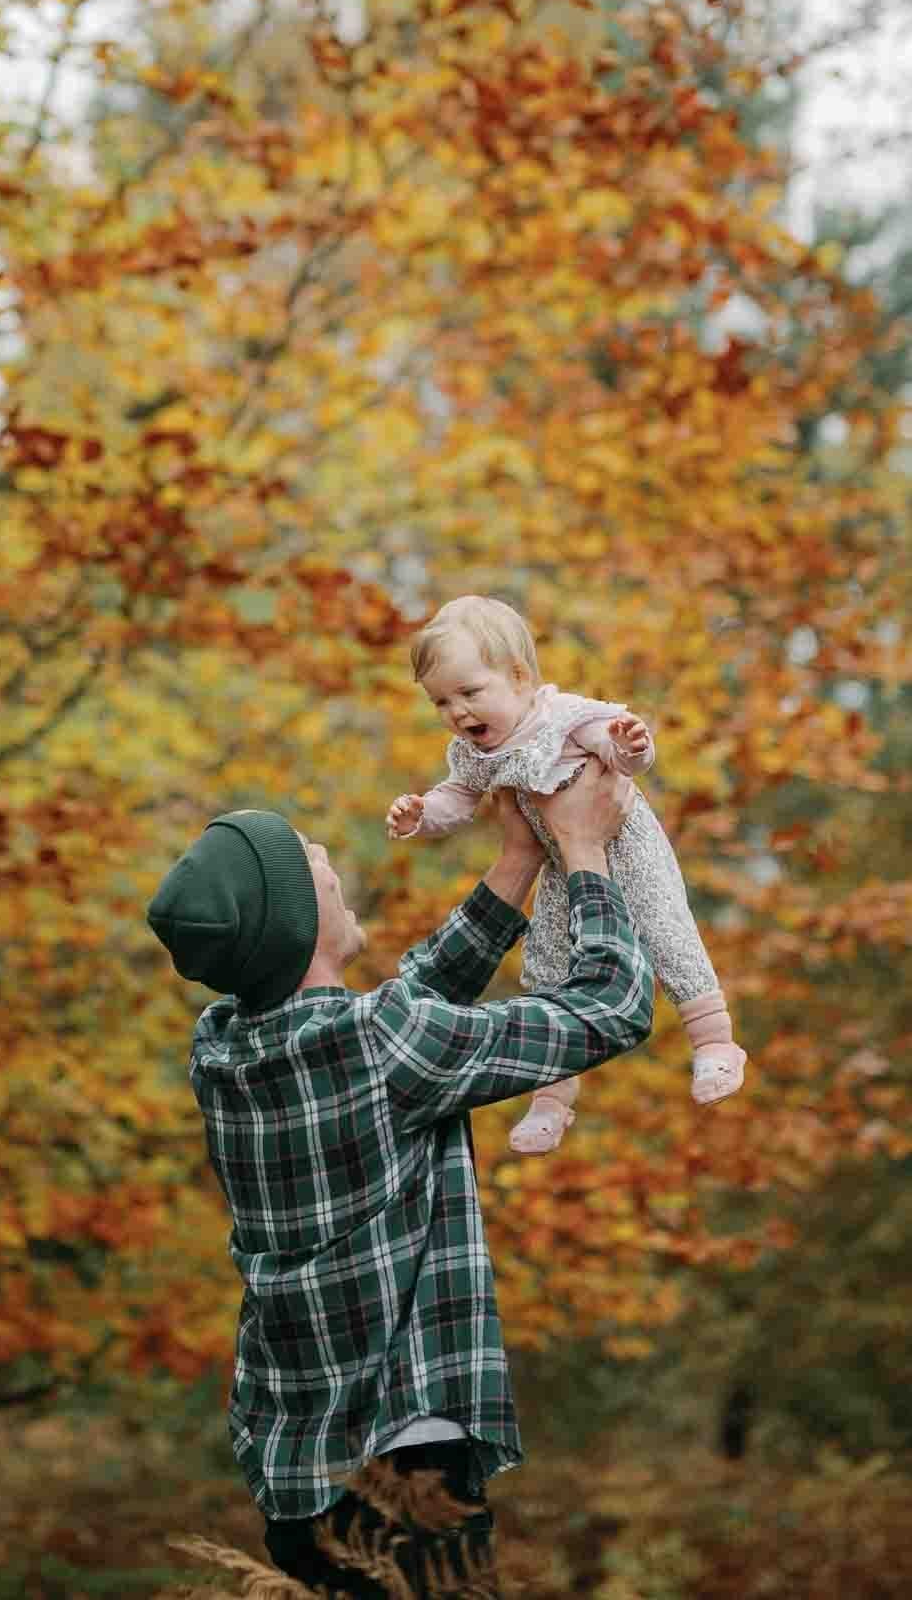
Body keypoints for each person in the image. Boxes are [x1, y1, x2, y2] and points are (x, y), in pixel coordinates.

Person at [146, 763, 652, 1596]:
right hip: (404, 1468)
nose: (318, 850)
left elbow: (404, 1006)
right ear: (297, 924)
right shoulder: (382, 1042)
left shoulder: (223, 1050)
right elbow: (608, 1008)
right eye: (309, 861)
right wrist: (586, 852)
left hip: (296, 1477)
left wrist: (518, 860)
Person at [386, 594, 746, 1154]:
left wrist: (628, 747)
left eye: (470, 693)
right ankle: (551, 1102)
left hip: (625, 845)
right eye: (441, 702)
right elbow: (456, 800)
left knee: (666, 929)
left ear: (520, 677)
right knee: (551, 967)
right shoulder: (472, 752)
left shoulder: (562, 717)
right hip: (563, 867)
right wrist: (419, 815)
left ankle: (714, 1042)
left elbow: (616, 755)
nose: (457, 712)